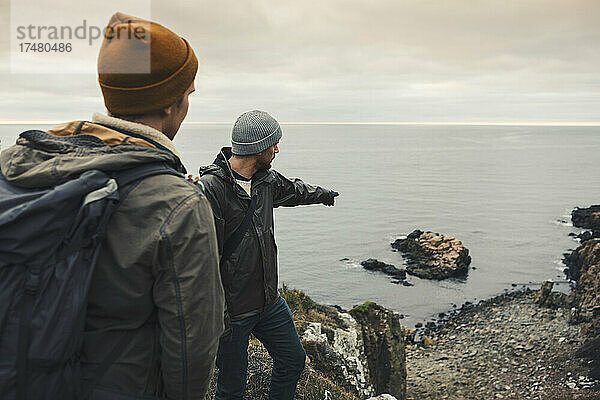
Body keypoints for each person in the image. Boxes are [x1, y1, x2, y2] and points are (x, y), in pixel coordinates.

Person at [0, 12, 224, 400]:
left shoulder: (16, 165)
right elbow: (191, 350)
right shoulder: (180, 205)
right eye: (188, 94)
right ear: (170, 105)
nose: (187, 104)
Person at [198, 110, 339, 400]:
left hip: (267, 302)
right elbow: (202, 262)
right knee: (231, 388)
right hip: (232, 313)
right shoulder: (211, 190)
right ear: (258, 148)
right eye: (273, 144)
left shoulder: (265, 181)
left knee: (293, 361)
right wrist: (220, 317)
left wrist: (323, 194)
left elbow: (294, 190)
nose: (277, 149)